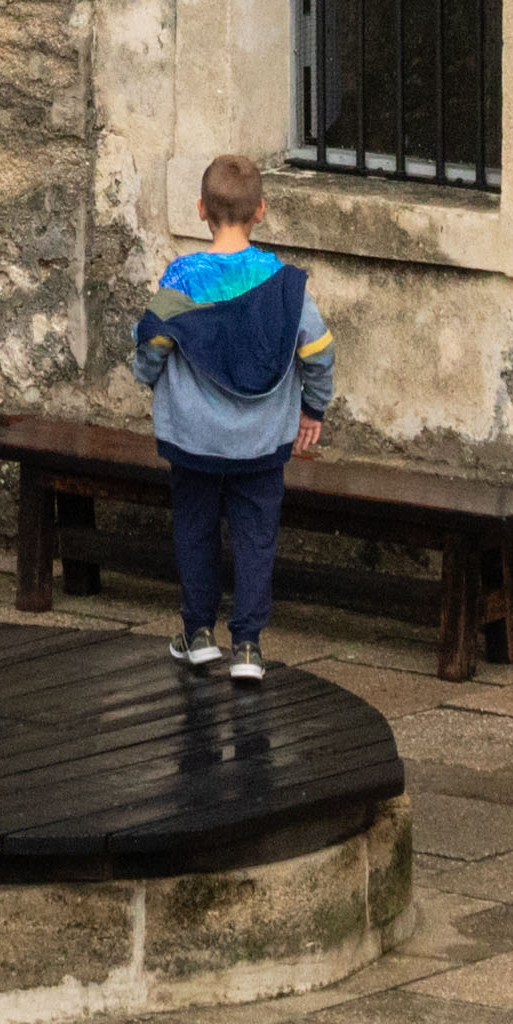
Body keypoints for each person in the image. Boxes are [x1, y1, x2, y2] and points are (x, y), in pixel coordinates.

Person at [131, 152, 334, 674]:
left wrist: (148, 375)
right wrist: (313, 408)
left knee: (195, 528)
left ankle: (198, 632)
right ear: (260, 210)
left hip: (193, 437)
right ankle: (247, 645)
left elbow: (153, 341)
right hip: (262, 441)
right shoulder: (286, 287)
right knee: (255, 536)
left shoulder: (183, 279)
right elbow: (318, 349)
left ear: (201, 209)